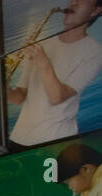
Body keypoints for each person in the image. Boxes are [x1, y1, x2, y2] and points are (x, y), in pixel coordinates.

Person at [8, 0, 102, 147]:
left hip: (55, 141)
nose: (74, 3)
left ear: (96, 10)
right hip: (18, 137)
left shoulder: (95, 52)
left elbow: (57, 97)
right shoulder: (42, 44)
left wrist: (43, 62)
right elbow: (19, 96)